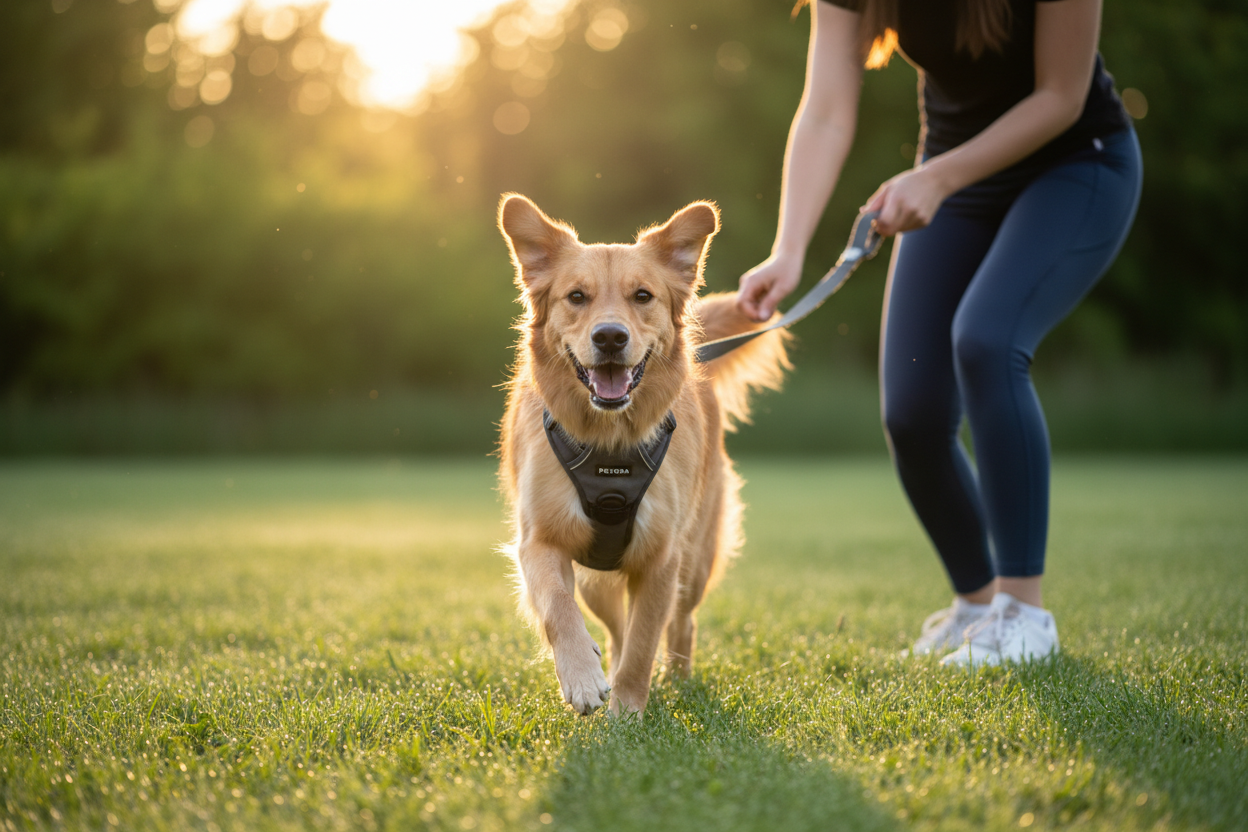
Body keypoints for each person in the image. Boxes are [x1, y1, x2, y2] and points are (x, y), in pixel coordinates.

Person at [736, 0, 1142, 666]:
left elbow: (1061, 98)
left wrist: (938, 176)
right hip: (952, 175)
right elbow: (826, 109)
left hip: (1076, 165)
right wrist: (789, 248)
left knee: (985, 339)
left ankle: (1024, 614)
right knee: (914, 412)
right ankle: (978, 606)